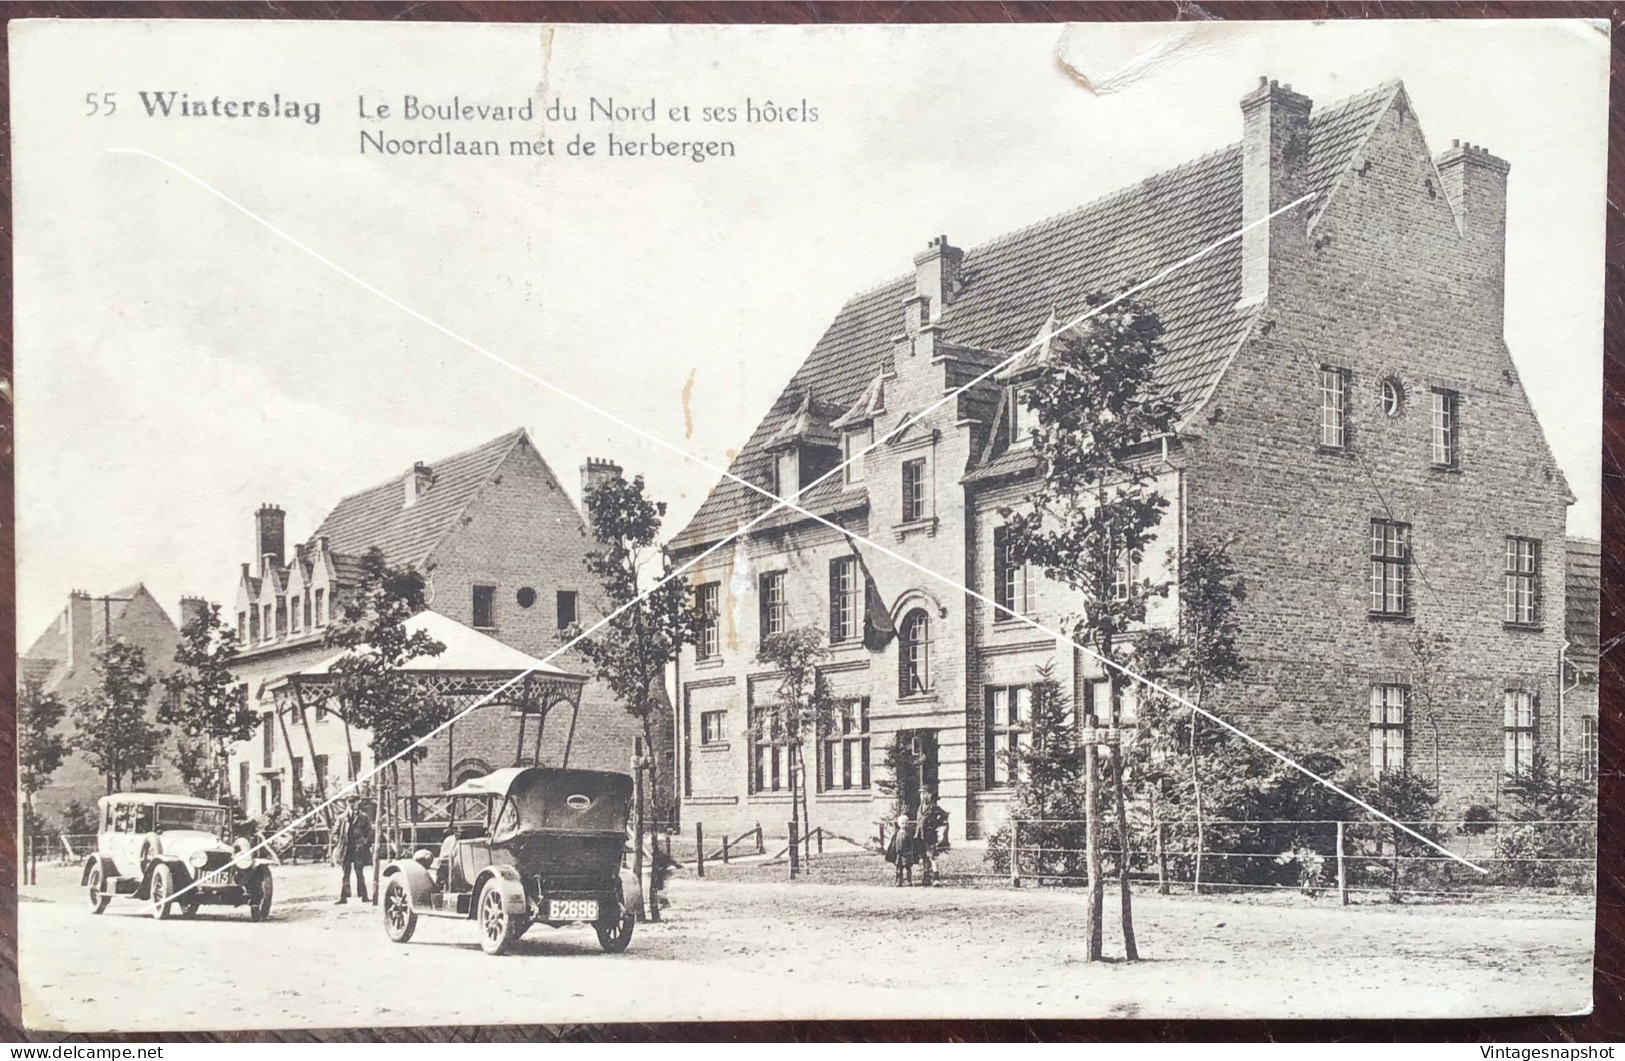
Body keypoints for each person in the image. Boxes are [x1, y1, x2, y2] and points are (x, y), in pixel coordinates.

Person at [332, 800, 373, 904]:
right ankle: (344, 897)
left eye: (353, 802)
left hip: (358, 849)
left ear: (357, 803)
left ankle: (364, 896)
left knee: (359, 873)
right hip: (346, 849)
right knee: (345, 874)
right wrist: (339, 841)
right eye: (349, 802)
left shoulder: (363, 817)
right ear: (347, 803)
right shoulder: (342, 818)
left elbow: (369, 830)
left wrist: (365, 840)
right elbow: (335, 833)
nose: (351, 804)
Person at [918, 790, 950, 887]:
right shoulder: (920, 807)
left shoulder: (933, 807)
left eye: (924, 793)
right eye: (921, 794)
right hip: (920, 835)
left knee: (931, 856)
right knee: (924, 856)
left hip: (929, 835)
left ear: (929, 794)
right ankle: (926, 877)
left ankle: (936, 878)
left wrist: (935, 825)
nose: (922, 796)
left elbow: (945, 815)